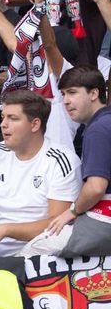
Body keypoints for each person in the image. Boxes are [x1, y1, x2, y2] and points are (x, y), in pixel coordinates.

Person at [0, 90, 77, 261]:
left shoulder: (60, 159)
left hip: (45, 253)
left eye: (13, 118)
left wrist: (6, 229)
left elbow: (57, 225)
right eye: (3, 117)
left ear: (35, 124)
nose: (3, 124)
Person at [38, 66, 111, 256]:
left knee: (33, 251)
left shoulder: (98, 129)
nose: (66, 101)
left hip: (104, 220)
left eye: (72, 93)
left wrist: (72, 211)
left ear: (94, 93)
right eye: (62, 94)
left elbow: (96, 187)